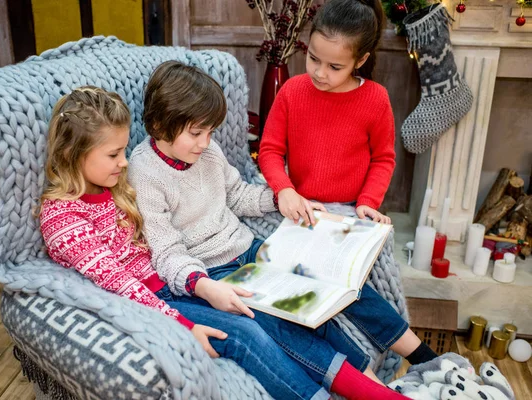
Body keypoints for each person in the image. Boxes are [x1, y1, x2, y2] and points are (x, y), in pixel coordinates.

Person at [38, 86, 407, 400]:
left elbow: (230, 196)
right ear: (74, 154)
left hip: (177, 282)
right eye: (113, 155)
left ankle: (381, 386)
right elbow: (120, 284)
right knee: (247, 331)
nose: (123, 163)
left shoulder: (114, 187)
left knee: (306, 303)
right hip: (160, 297)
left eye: (122, 152)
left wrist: (282, 196)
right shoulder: (62, 218)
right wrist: (182, 324)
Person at [128, 60, 422, 398]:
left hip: (248, 248)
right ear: (160, 124)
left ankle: (404, 365)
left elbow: (237, 195)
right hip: (210, 272)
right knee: (282, 321)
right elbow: (166, 253)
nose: (206, 142)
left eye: (210, 132)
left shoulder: (208, 152)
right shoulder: (145, 173)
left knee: (325, 276)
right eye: (196, 133)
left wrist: (283, 198)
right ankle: (375, 393)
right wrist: (204, 286)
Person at [259, 0, 397, 226]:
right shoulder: (291, 91)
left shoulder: (376, 99)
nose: (320, 73)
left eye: (334, 67)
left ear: (360, 60)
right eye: (313, 58)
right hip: (299, 205)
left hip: (351, 210)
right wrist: (283, 189)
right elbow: (270, 149)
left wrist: (368, 202)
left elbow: (383, 159)